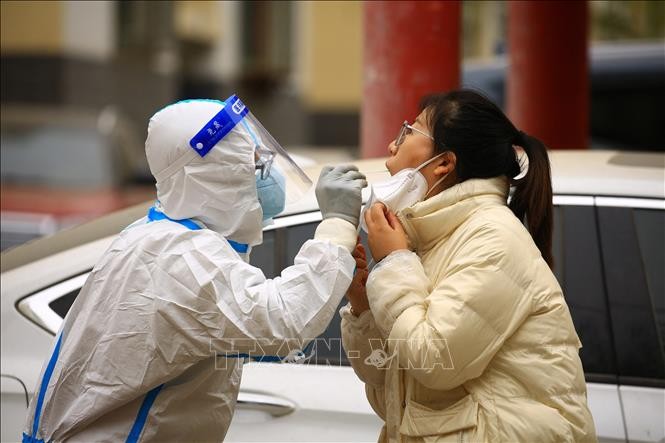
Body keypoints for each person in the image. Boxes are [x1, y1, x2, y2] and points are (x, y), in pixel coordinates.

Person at [22, 95, 367, 443]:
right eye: (253, 162)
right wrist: (336, 225)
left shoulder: (166, 236)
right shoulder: (177, 257)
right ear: (211, 176)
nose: (267, 173)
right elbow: (284, 320)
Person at [341, 89, 597, 442]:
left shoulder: (493, 238)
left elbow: (432, 360)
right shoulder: (430, 238)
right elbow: (390, 383)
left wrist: (395, 262)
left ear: (444, 163)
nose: (391, 147)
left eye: (409, 131)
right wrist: (363, 303)